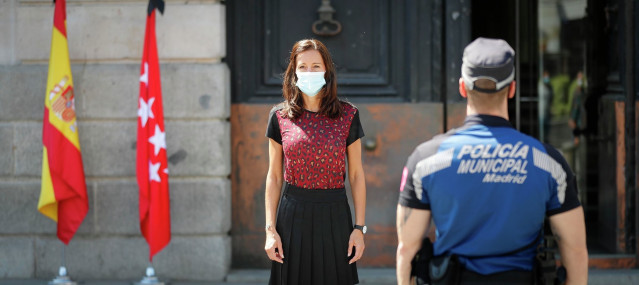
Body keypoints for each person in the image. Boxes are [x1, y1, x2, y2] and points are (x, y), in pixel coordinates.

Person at [395, 38, 588, 285]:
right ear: (512, 89)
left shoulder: (425, 160)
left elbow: (406, 249)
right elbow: (575, 251)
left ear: (462, 88)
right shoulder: (549, 163)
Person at [264, 39, 367, 285]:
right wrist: (270, 230)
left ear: (327, 71)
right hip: (292, 216)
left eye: (316, 66)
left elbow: (356, 175)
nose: (309, 72)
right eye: (303, 67)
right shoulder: (279, 116)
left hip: (335, 215)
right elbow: (274, 176)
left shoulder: (348, 115)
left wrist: (359, 228)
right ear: (294, 72)